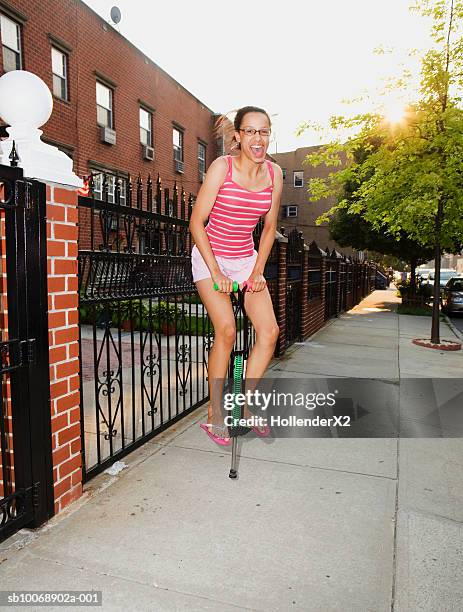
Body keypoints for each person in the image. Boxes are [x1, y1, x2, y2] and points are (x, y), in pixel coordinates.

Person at [188, 106, 283, 445]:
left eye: (264, 131)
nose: (258, 138)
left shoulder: (274, 174)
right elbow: (196, 223)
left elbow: (270, 228)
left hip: (245, 259)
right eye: (251, 131)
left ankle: (242, 406)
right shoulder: (221, 168)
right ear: (239, 136)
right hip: (210, 255)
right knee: (227, 331)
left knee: (269, 332)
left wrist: (257, 272)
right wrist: (216, 272)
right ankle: (214, 413)